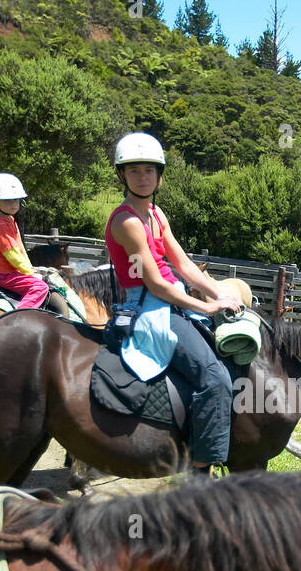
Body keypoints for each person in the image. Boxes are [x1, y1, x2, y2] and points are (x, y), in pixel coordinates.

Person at [104, 132, 243, 471]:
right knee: (216, 379)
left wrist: (218, 292)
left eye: (149, 170)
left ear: (159, 175)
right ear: (122, 175)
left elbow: (183, 265)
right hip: (149, 306)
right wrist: (207, 307)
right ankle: (198, 470)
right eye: (134, 170)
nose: (142, 177)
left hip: (171, 299)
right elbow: (155, 282)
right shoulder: (127, 221)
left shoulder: (156, 214)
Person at [0, 172, 48, 310]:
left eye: (15, 199)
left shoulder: (9, 219)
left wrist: (30, 269)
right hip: (2, 273)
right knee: (40, 287)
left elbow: (21, 249)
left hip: (10, 270)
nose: (13, 204)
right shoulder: (0, 225)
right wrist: (30, 274)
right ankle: (19, 316)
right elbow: (12, 254)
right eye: (7, 200)